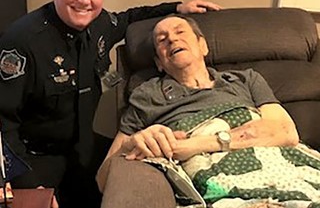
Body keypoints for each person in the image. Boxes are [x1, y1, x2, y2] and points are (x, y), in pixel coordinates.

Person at [0, 0, 221, 208]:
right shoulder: (21, 41)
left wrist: (177, 7)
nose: (84, 0)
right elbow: (3, 122)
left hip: (84, 149)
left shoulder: (102, 23)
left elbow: (131, 17)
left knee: (132, 172)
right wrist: (25, 182)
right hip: (35, 157)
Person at [97, 15, 300, 208]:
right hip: (219, 181)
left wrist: (192, 145)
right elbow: (103, 178)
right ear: (159, 62)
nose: (172, 40)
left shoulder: (246, 80)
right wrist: (130, 147)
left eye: (180, 32)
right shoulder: (147, 96)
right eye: (162, 39)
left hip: (284, 169)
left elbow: (286, 132)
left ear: (203, 45)